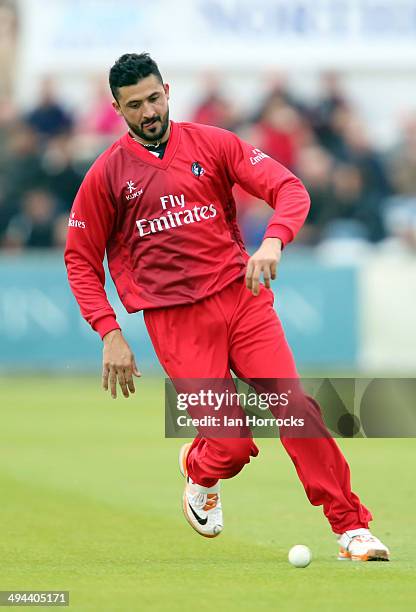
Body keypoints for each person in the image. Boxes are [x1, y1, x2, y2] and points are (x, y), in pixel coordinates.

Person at [64, 53, 389, 561]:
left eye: (154, 98)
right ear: (117, 108)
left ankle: (351, 529)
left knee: (296, 409)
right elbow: (80, 260)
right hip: (176, 320)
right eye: (135, 105)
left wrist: (273, 242)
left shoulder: (212, 143)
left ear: (167, 90)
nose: (148, 111)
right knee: (232, 445)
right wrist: (110, 333)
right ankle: (199, 467)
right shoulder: (107, 175)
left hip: (242, 298)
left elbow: (289, 188)